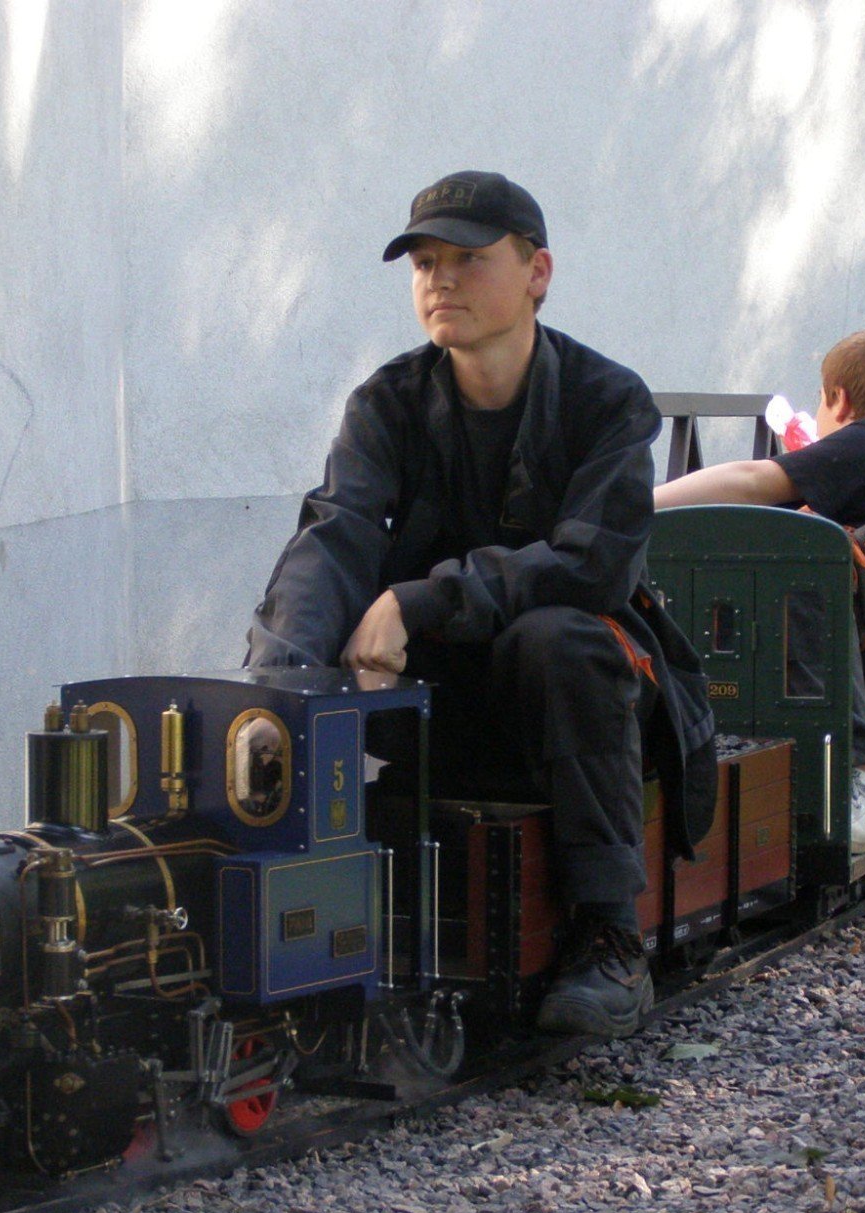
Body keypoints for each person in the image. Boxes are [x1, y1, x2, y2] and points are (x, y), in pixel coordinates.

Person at [244, 170, 717, 1041]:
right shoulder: (386, 403)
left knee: (561, 638)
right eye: (423, 262)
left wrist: (418, 600)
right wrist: (273, 690)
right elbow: (336, 534)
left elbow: (591, 566)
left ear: (538, 271)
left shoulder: (609, 401)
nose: (440, 281)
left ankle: (609, 937)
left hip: (581, 708)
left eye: (467, 257)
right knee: (315, 665)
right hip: (444, 706)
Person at [654, 325, 865, 853]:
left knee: (810, 563)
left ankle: (861, 776)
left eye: (820, 398)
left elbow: (750, 479)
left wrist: (637, 505)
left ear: (838, 399)